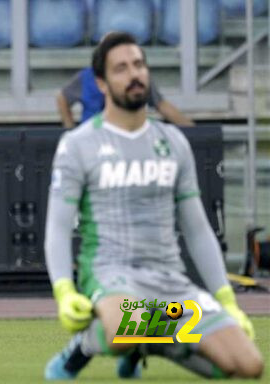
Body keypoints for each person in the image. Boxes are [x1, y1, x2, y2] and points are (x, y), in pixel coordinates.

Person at [43, 32, 263, 380]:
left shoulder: (173, 141)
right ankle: (85, 345)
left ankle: (147, 341)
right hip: (110, 272)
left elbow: (196, 228)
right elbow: (56, 227)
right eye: (121, 68)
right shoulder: (78, 144)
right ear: (101, 83)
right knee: (118, 325)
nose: (134, 74)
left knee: (246, 365)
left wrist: (226, 298)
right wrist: (64, 289)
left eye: (139, 64)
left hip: (170, 282)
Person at [56, 66, 195, 129]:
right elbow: (62, 98)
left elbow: (161, 105)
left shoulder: (139, 78)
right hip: (91, 142)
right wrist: (70, 130)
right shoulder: (86, 76)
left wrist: (196, 131)